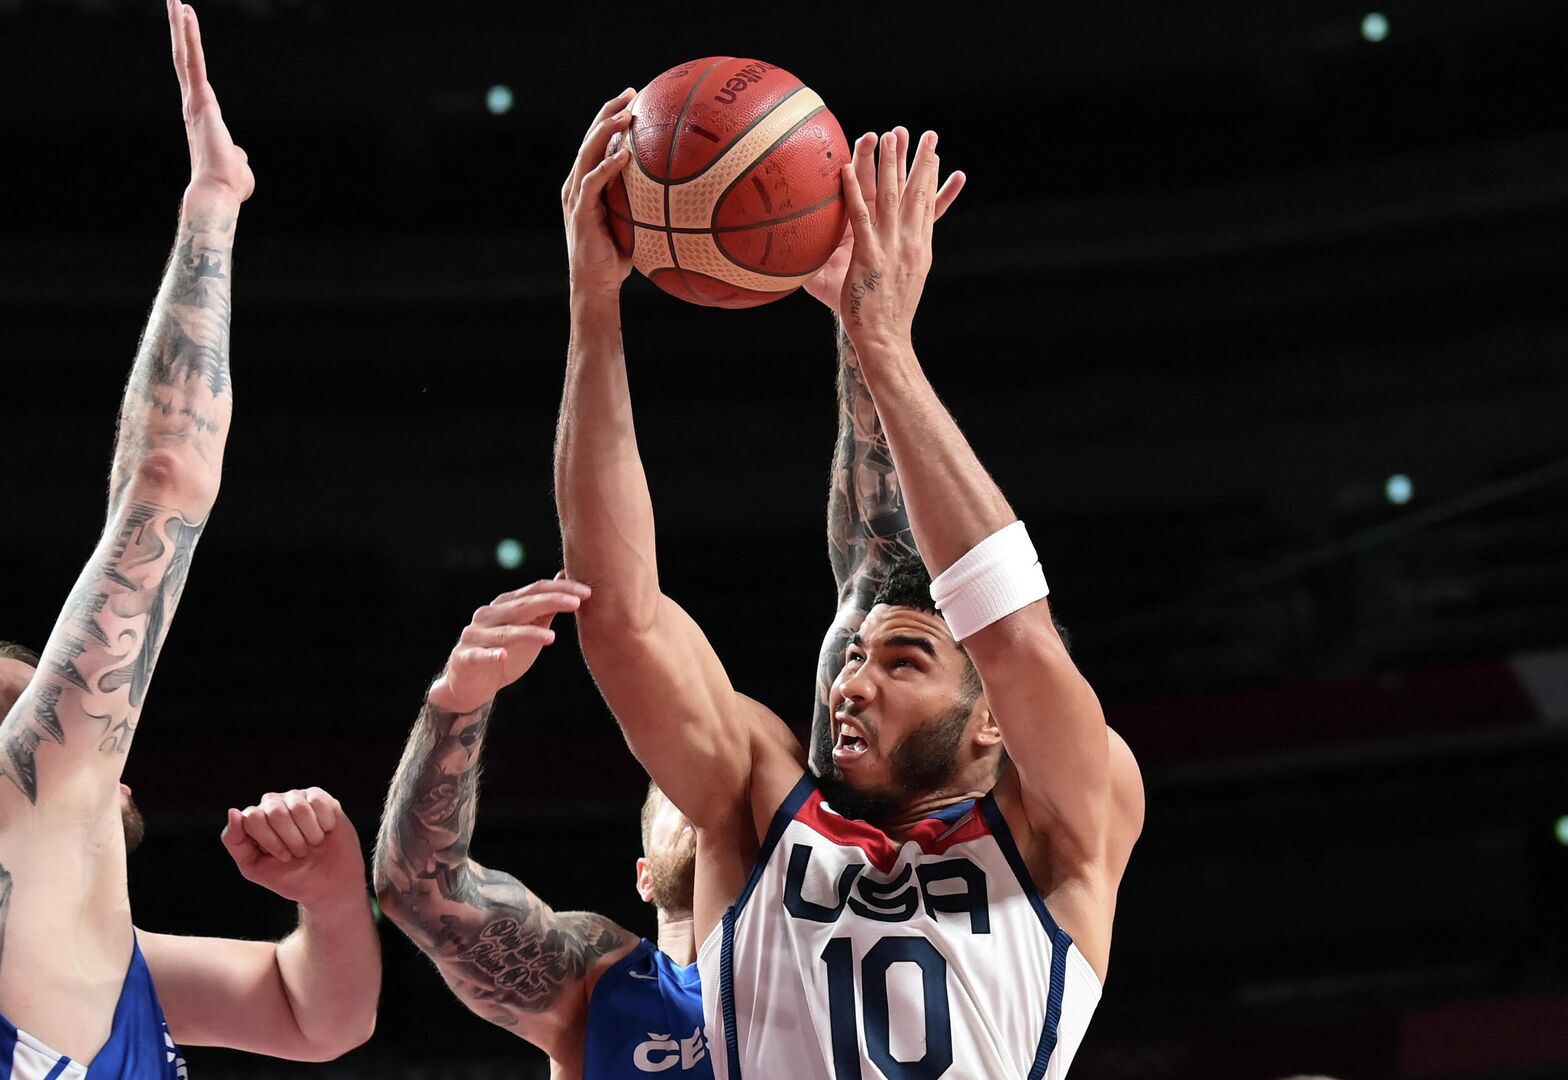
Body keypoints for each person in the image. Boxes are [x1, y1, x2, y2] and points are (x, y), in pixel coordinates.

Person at [554, 91, 1146, 1079]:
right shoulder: (752, 788)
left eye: (904, 658)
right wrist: (592, 308)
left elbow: (1013, 634)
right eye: (854, 656)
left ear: (990, 719)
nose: (848, 685)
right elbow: (618, 618)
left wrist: (883, 344)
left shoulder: (1057, 825)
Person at [0, 4, 379, 1075]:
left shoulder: (50, 947)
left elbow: (319, 1015)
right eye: (28, 701)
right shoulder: (5, 850)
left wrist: (328, 895)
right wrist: (212, 211)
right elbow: (164, 482)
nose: (72, 700)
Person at [374, 578, 712, 1079]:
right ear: (644, 876)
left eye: (713, 788)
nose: (692, 796)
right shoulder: (599, 977)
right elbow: (418, 888)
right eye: (671, 788)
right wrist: (457, 704)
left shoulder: (818, 966)